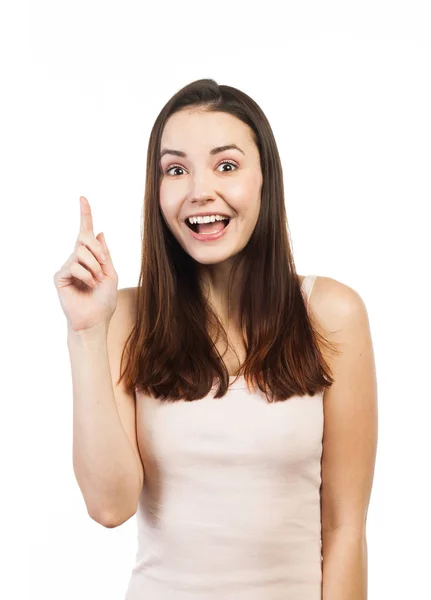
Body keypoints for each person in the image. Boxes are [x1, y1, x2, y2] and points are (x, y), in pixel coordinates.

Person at [54, 79, 378, 599]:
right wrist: (86, 332)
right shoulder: (123, 317)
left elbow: (346, 530)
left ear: (265, 180)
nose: (199, 190)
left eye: (226, 166)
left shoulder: (331, 314)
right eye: (176, 169)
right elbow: (109, 506)